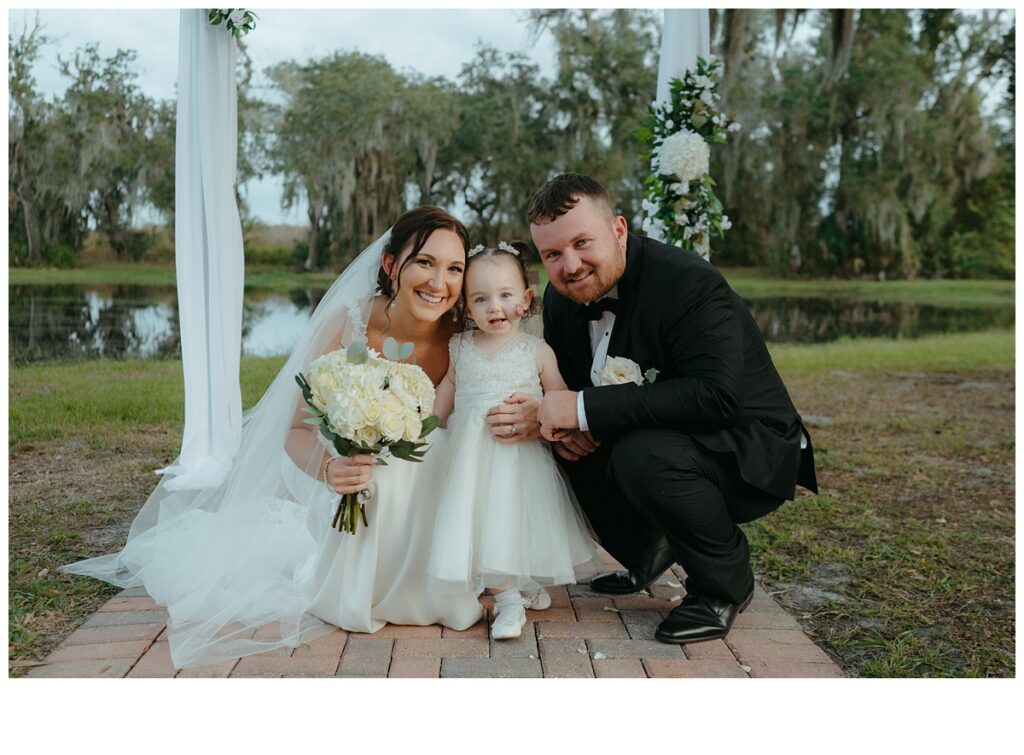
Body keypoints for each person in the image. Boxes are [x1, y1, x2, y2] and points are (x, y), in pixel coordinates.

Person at [61, 207, 542, 668]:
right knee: (384, 477)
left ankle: (454, 575)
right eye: (425, 263)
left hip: (447, 485)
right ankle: (370, 582)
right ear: (391, 264)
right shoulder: (348, 324)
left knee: (427, 455)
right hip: (358, 481)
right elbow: (295, 429)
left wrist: (527, 412)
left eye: (455, 269)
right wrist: (331, 469)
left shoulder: (470, 329)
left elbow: (515, 372)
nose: (441, 283)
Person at [528, 173, 818, 644]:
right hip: (660, 436)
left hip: (748, 448)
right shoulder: (562, 301)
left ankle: (724, 586)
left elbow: (717, 397)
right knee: (556, 443)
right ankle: (647, 549)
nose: (571, 265)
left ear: (619, 230)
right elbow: (574, 398)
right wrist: (567, 424)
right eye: (553, 255)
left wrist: (583, 408)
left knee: (642, 453)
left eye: (583, 243)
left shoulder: (687, 283)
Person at [424, 241, 595, 639]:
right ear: (466, 307)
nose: (494, 307)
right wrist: (420, 431)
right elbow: (443, 400)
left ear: (526, 298)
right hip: (470, 461)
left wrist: (542, 410)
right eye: (480, 299)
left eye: (505, 295)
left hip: (518, 460)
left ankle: (514, 596)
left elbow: (559, 402)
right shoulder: (460, 347)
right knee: (483, 524)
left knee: (514, 524)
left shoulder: (537, 351)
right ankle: (509, 598)